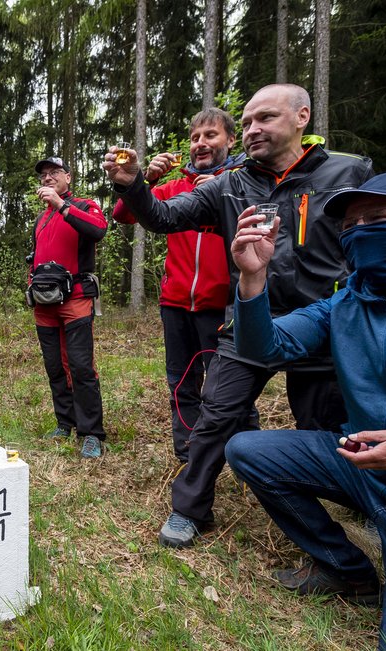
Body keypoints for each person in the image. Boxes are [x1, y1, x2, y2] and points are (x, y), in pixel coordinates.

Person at [104, 84, 374, 547]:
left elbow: (374, 243)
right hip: (251, 319)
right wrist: (132, 185)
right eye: (247, 122)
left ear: (302, 117)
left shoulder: (348, 173)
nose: (252, 130)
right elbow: (163, 217)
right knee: (216, 413)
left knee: (329, 424)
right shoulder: (231, 184)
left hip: (325, 323)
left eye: (264, 119)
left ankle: (367, 502)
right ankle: (189, 509)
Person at [224, 172, 386, 649]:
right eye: (350, 225)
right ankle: (348, 571)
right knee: (250, 450)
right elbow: (266, 348)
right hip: (365, 468)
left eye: (378, 218)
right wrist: (253, 278)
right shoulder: (348, 300)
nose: (360, 231)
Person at [113, 108, 246, 463]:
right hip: (176, 303)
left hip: (223, 305)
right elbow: (123, 215)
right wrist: (147, 180)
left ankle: (245, 454)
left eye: (210, 136)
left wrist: (221, 194)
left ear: (231, 140)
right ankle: (188, 454)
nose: (200, 144)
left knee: (231, 387)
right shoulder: (176, 186)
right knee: (182, 382)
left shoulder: (244, 182)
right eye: (195, 138)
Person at [30, 156, 108, 459]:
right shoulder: (40, 218)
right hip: (43, 302)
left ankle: (91, 433)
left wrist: (61, 205)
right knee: (54, 366)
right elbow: (36, 256)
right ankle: (65, 422)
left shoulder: (85, 206)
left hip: (75, 298)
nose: (48, 178)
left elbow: (98, 230)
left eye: (54, 173)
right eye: (44, 176)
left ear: (68, 178)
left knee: (80, 366)